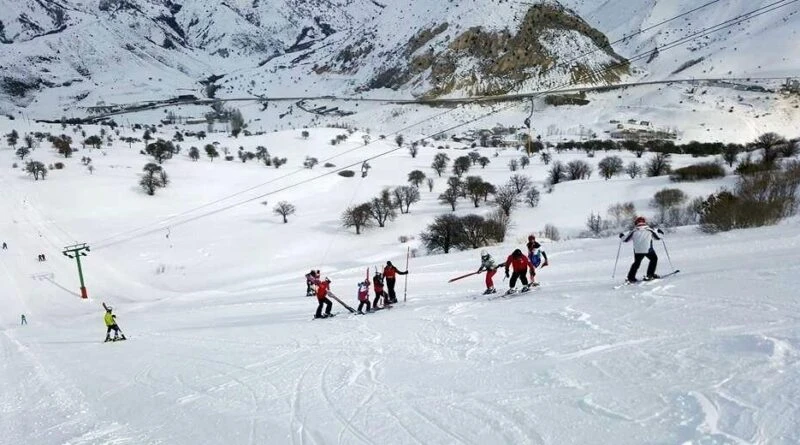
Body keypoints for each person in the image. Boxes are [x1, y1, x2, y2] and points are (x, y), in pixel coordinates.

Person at [619, 216, 663, 282]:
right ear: (644, 222)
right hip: (648, 249)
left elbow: (625, 240)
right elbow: (658, 238)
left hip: (637, 251)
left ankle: (631, 278)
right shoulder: (649, 230)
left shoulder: (633, 231)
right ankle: (650, 275)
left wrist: (621, 236)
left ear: (636, 223)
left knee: (636, 263)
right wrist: (660, 232)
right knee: (654, 259)